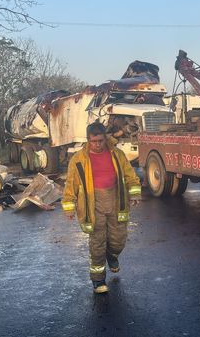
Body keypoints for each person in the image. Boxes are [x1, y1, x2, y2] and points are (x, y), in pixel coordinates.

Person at [62, 122, 141, 294]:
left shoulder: (117, 155)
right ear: (88, 140)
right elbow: (70, 184)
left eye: (100, 141)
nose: (97, 145)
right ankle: (98, 280)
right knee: (97, 244)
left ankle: (112, 256)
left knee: (118, 239)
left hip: (116, 202)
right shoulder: (78, 160)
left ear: (105, 138)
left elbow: (130, 175)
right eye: (93, 141)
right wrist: (69, 207)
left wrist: (134, 193)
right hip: (92, 206)